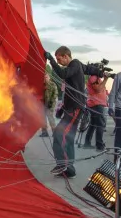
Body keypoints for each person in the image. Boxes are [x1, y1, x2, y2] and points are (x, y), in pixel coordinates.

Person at [45, 46, 103, 178]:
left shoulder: (74, 64)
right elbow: (88, 69)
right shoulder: (77, 66)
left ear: (66, 56)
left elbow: (63, 74)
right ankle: (68, 167)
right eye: (56, 60)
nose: (58, 62)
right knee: (68, 137)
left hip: (75, 109)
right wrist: (99, 72)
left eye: (59, 59)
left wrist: (51, 61)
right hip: (70, 108)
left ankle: (64, 165)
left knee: (61, 135)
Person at [82, 74, 108, 151]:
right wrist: (106, 79)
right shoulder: (93, 77)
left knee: (93, 125)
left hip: (96, 104)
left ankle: (87, 143)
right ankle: (99, 145)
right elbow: (98, 89)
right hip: (96, 104)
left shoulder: (97, 78)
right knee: (100, 124)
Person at [40, 73, 58, 137]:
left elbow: (55, 94)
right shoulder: (41, 85)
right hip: (43, 104)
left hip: (50, 103)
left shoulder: (53, 85)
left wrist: (51, 102)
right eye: (44, 78)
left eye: (46, 77)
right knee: (42, 118)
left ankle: (54, 132)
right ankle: (44, 132)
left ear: (49, 77)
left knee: (50, 118)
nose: (45, 79)